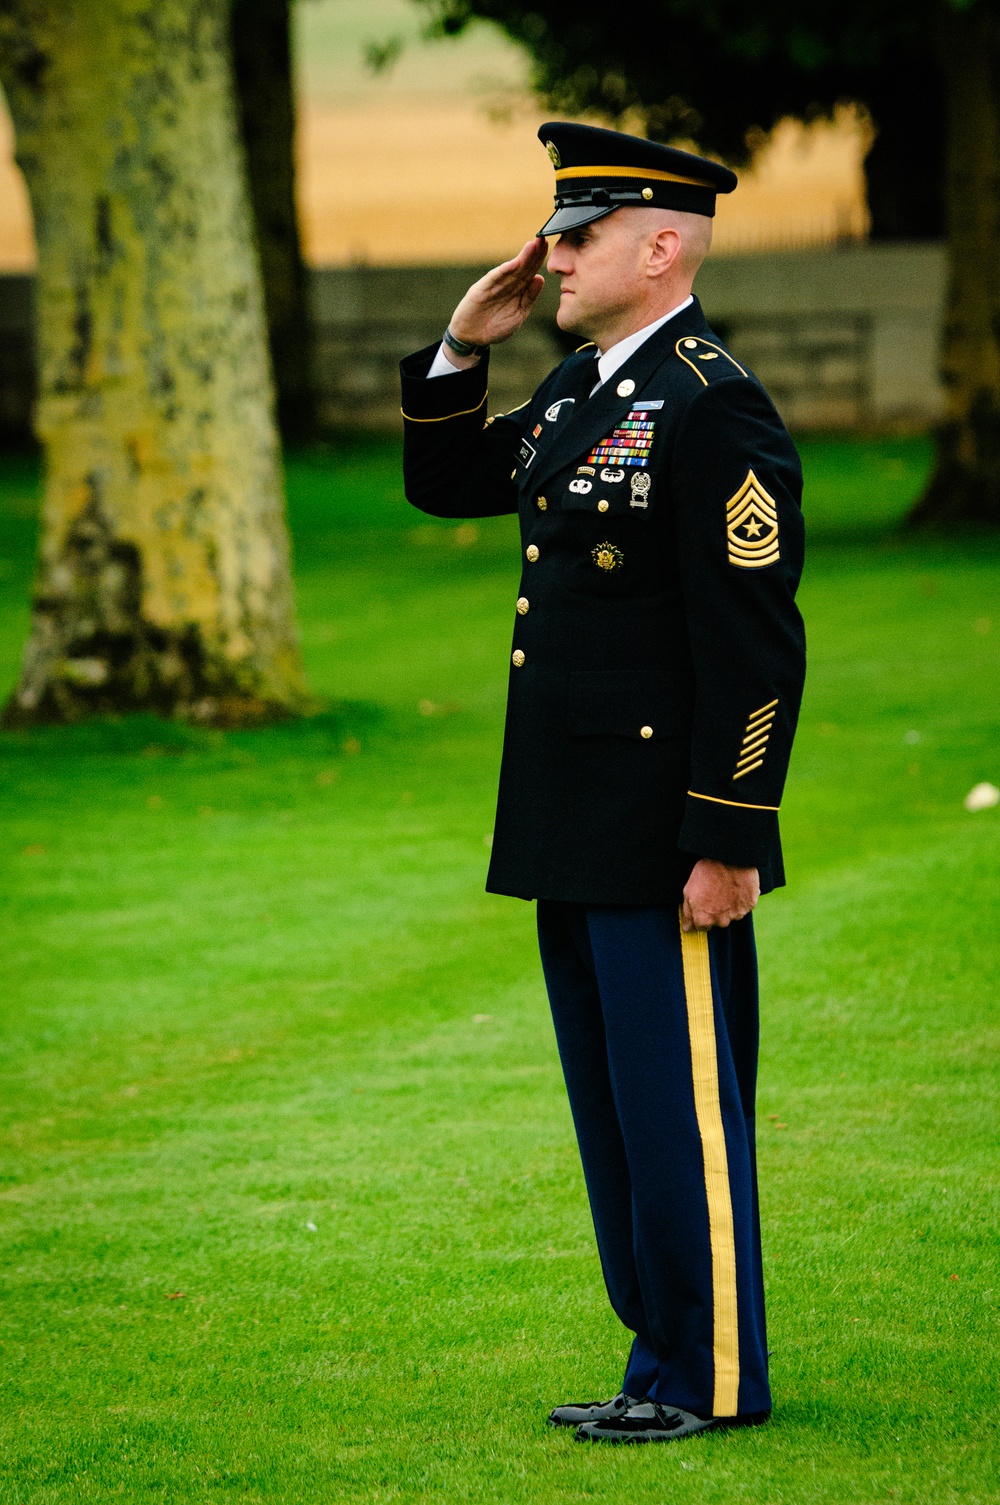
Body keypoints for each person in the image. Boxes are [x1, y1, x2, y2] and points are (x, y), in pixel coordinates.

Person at [399, 121, 806, 1445]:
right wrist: (467, 346)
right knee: (617, 1115)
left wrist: (731, 835)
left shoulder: (710, 401)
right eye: (558, 234)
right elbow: (450, 476)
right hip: (571, 824)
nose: (553, 256)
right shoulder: (584, 389)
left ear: (662, 245)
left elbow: (754, 643)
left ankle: (713, 1373)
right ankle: (655, 1353)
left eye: (579, 237)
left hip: (664, 836)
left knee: (681, 1113)